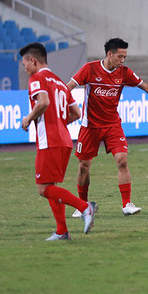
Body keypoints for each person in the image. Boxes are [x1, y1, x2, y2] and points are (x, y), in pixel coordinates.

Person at [67, 38, 148, 217]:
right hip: (90, 126)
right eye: (120, 56)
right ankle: (82, 205)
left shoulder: (124, 72)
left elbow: (147, 87)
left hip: (113, 125)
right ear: (109, 54)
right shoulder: (90, 69)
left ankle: (127, 204)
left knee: (122, 160)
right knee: (84, 166)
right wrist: (59, 103)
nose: (123, 60)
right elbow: (69, 87)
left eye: (125, 57)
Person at [19, 43, 96, 241]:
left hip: (49, 141)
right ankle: (62, 231)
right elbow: (76, 112)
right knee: (51, 186)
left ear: (33, 60)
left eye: (25, 63)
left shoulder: (36, 78)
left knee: (44, 189)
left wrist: (28, 118)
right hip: (64, 139)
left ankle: (84, 207)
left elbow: (43, 102)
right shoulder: (60, 82)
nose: (25, 68)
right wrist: (58, 122)